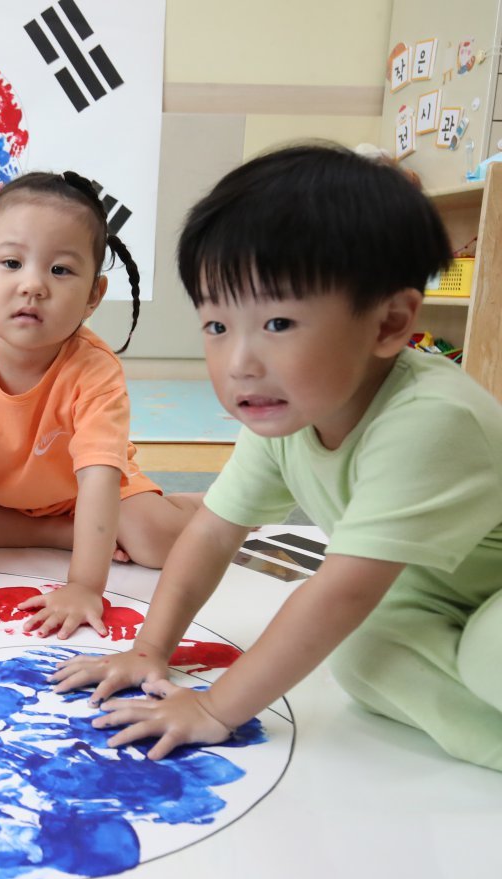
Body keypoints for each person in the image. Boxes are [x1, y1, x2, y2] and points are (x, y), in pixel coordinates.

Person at [53, 143, 502, 771]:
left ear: (389, 323)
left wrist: (214, 709)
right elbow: (212, 533)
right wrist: (150, 649)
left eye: (279, 324)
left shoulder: (431, 420)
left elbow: (340, 592)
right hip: (438, 592)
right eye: (217, 326)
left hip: (488, 601)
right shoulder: (288, 414)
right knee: (361, 658)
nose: (239, 362)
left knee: (487, 656)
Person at [0, 171, 200, 633]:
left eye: (60, 270)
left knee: (156, 544)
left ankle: (196, 504)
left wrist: (85, 586)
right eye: (11, 263)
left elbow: (98, 477)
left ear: (93, 295)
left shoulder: (94, 369)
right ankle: (56, 535)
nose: (33, 285)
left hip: (80, 492)